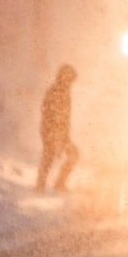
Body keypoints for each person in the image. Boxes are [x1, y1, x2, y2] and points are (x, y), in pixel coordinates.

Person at [38, 64, 79, 192]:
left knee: (72, 154)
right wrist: (55, 134)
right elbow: (48, 113)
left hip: (59, 132)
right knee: (49, 156)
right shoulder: (55, 91)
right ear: (63, 77)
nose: (71, 83)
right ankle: (42, 185)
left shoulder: (64, 93)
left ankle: (55, 183)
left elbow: (65, 117)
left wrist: (64, 134)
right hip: (51, 131)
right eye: (70, 79)